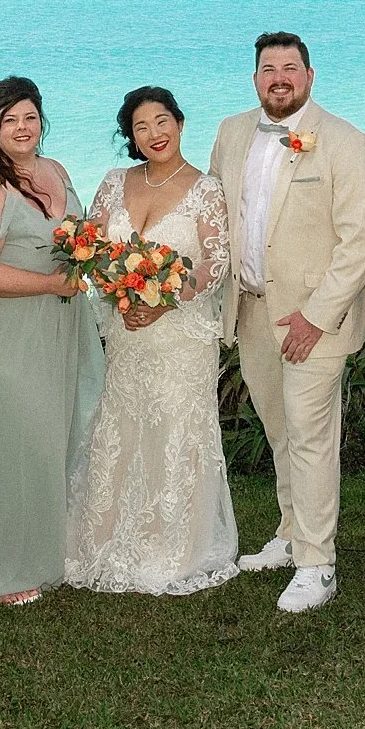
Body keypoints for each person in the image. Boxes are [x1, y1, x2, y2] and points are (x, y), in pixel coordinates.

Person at [209, 32, 365, 614]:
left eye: (289, 67)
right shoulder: (232, 133)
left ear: (309, 76)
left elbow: (360, 241)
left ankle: (316, 563)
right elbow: (219, 219)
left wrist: (316, 317)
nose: (278, 77)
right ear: (255, 78)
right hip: (253, 310)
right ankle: (290, 532)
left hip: (315, 320)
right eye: (268, 68)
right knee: (280, 430)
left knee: (310, 437)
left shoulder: (344, 141)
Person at [65, 86, 239, 594]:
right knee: (121, 426)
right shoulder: (114, 183)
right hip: (127, 332)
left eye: (162, 121)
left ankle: (174, 546)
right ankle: (106, 537)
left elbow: (216, 261)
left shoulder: (206, 190)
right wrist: (119, 294)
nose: (154, 134)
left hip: (181, 334)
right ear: (132, 138)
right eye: (141, 127)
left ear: (179, 123)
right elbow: (91, 249)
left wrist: (165, 299)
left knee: (176, 429)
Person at [0, 77, 104, 606]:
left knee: (55, 437)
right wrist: (51, 284)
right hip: (5, 333)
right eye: (10, 119)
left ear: (42, 121)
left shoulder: (55, 170)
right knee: (11, 443)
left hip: (61, 327)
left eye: (30, 117)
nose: (22, 128)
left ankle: (45, 548)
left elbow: (79, 237)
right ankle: (0, 568)